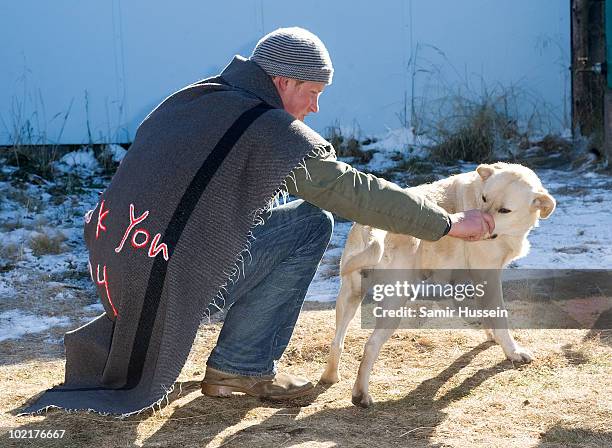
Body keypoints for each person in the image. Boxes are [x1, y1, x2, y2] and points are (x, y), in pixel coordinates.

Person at [200, 27, 495, 401]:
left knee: (285, 216)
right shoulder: (268, 131)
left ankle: (230, 366)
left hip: (133, 271)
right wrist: (447, 222)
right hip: (174, 285)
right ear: (283, 82)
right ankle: (240, 365)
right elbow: (352, 193)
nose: (315, 107)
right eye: (313, 93)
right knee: (311, 222)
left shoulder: (201, 99)